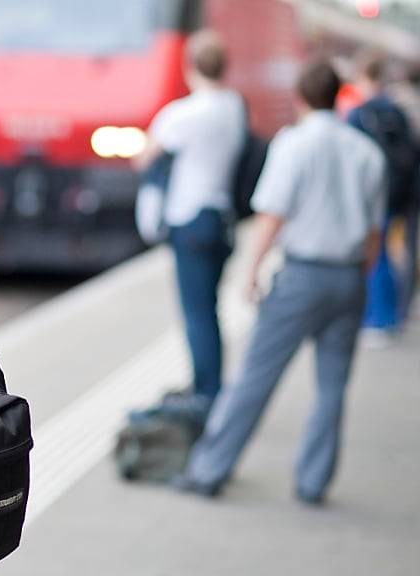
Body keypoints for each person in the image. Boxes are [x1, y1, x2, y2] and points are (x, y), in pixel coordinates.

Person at [173, 59, 387, 505]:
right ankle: (313, 484)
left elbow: (272, 214)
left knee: (254, 377)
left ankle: (208, 470)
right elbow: (373, 232)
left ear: (302, 98)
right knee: (332, 387)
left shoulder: (294, 143)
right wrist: (358, 277)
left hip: (303, 276)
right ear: (337, 96)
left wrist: (251, 272)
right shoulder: (367, 152)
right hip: (349, 278)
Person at [133, 30, 245, 403]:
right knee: (210, 309)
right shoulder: (234, 108)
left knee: (195, 313)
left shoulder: (182, 114)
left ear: (189, 66)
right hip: (222, 221)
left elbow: (144, 158)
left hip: (190, 222)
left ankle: (206, 395)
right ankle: (210, 386)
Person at [347, 51, 417, 342]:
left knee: (376, 257)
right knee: (392, 253)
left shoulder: (358, 113)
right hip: (400, 194)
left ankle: (377, 318)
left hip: (371, 197)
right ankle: (393, 314)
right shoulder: (397, 111)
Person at [386, 63, 420, 321]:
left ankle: (395, 307)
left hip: (399, 189)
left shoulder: (396, 104)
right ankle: (405, 304)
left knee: (392, 246)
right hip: (411, 188)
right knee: (410, 246)